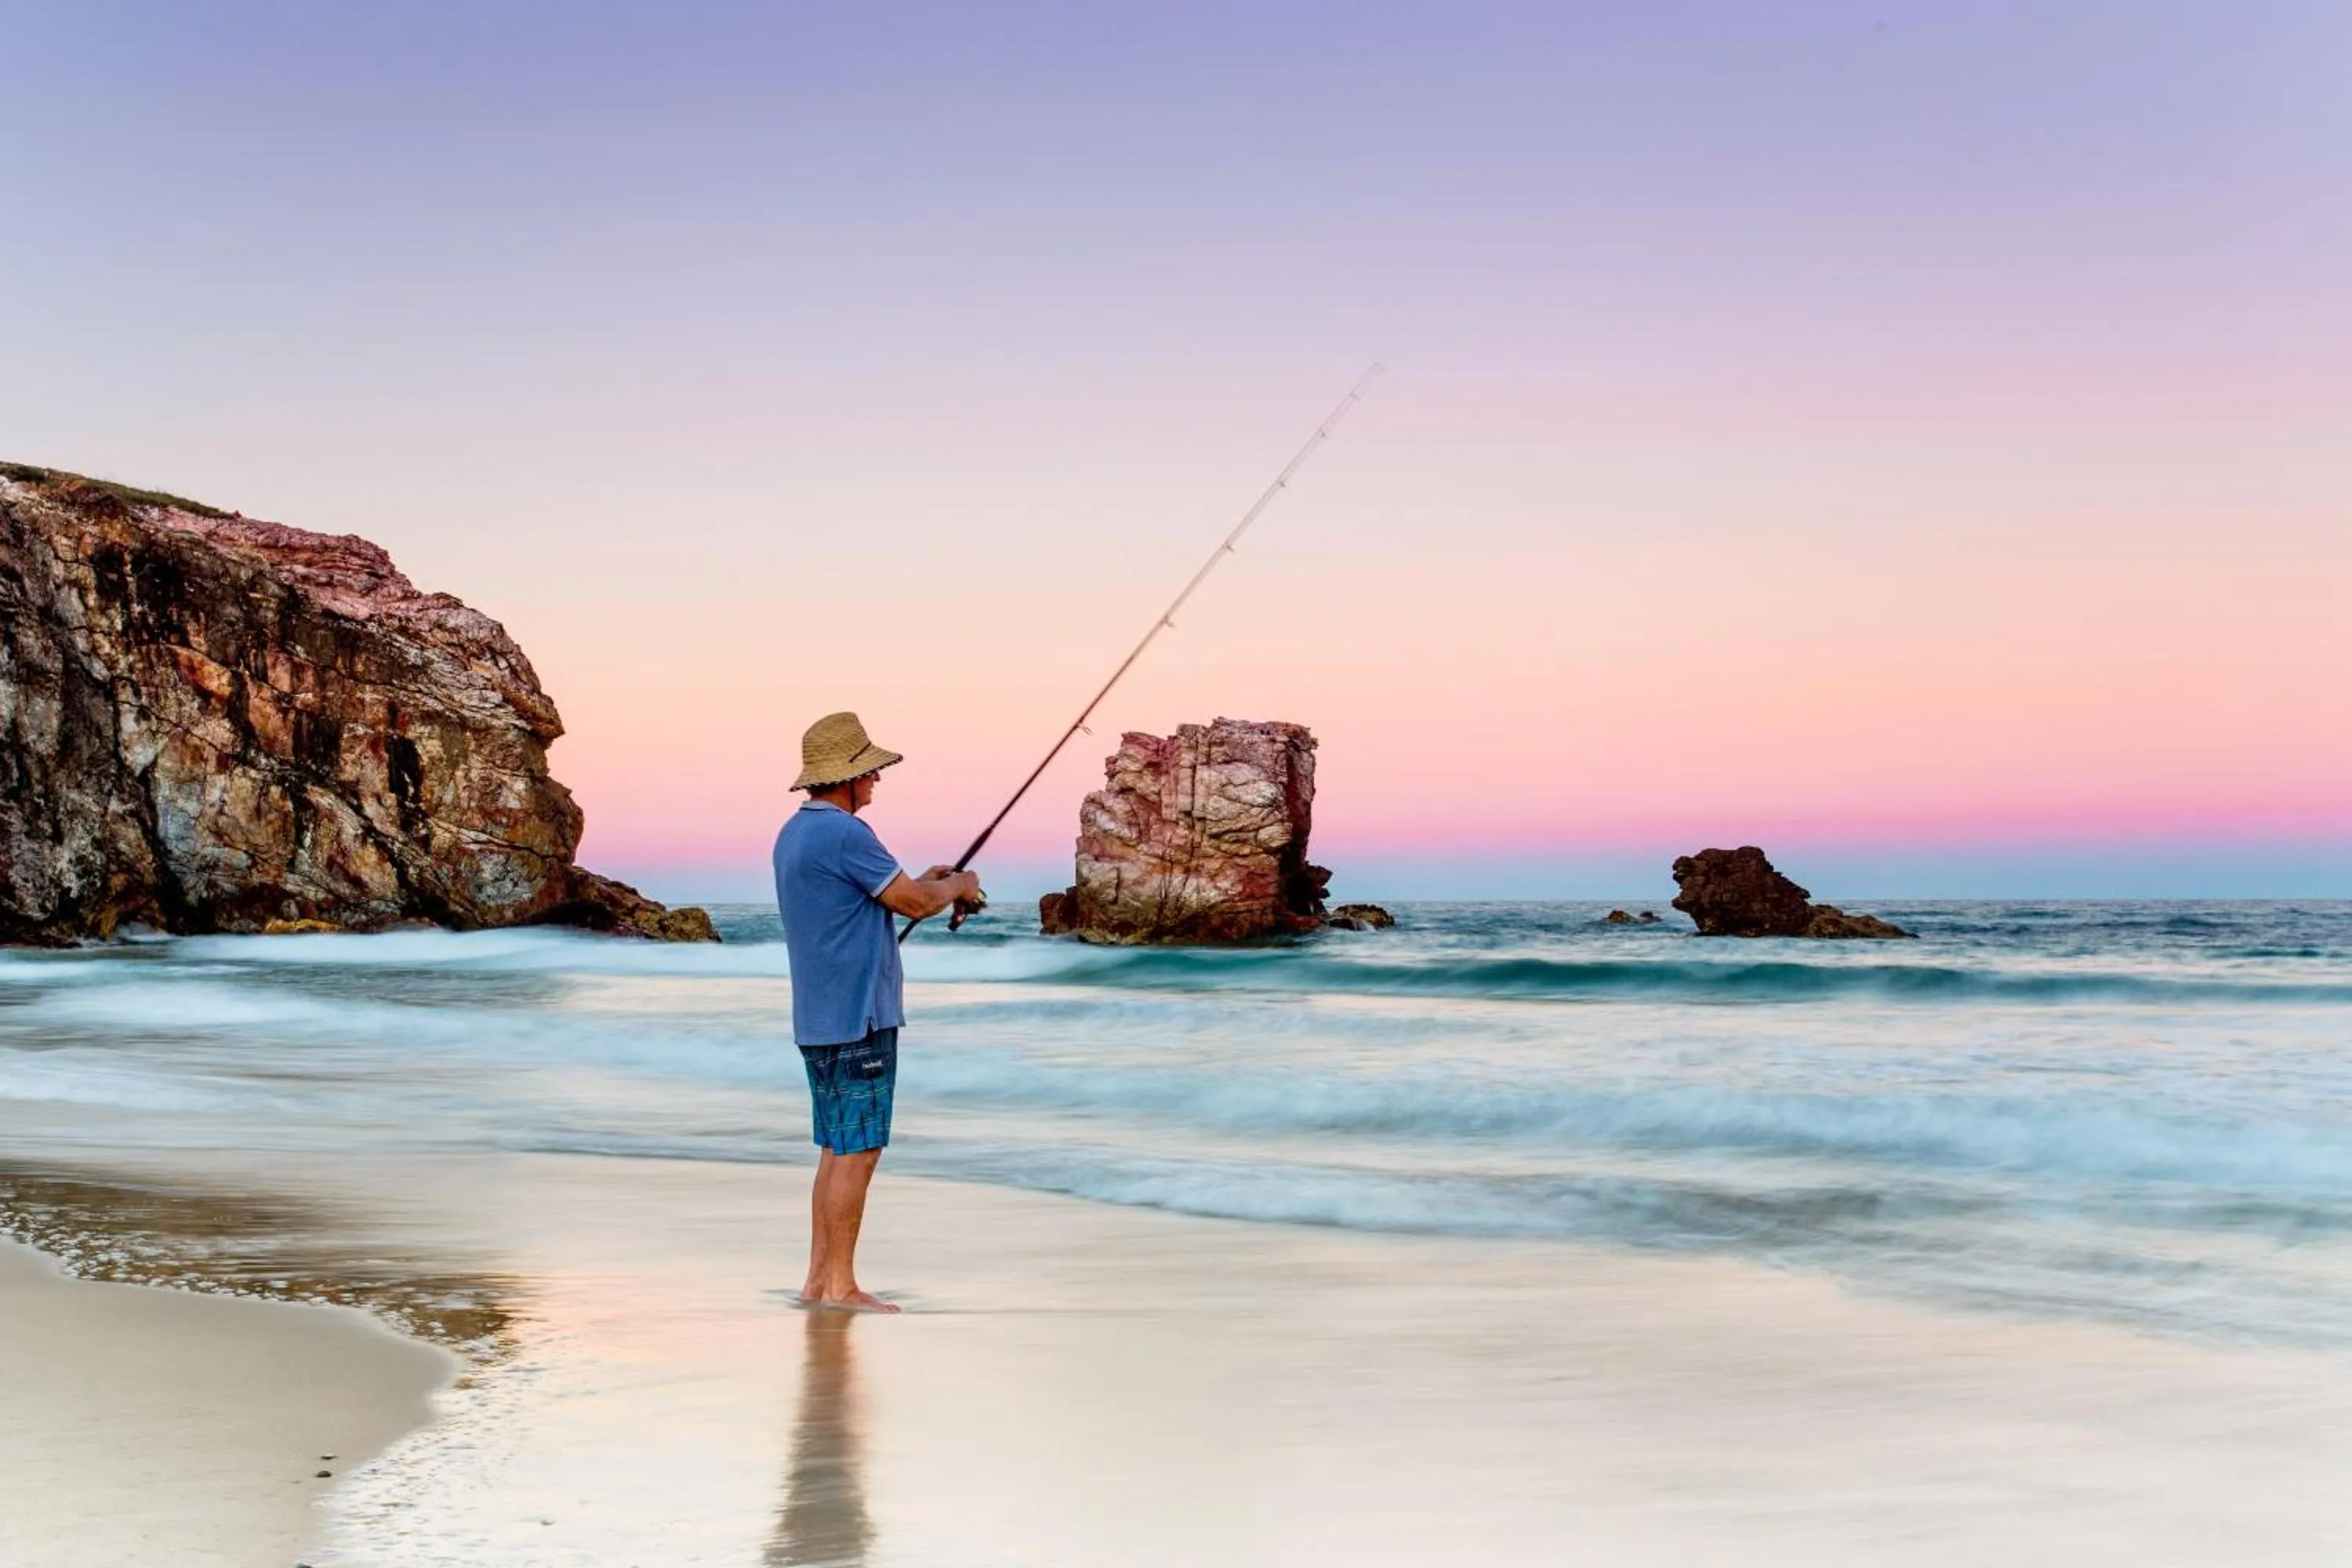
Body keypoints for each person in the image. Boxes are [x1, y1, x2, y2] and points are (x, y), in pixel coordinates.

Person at [773, 710, 982, 1312]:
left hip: (818, 1015)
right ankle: (842, 1287)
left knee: (837, 1148)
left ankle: (817, 1281)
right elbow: (915, 902)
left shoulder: (793, 834)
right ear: (848, 776)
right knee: (859, 1150)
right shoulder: (845, 834)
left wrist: (925, 885)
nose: (877, 781)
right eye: (871, 771)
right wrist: (960, 885)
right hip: (858, 1015)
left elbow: (882, 897)